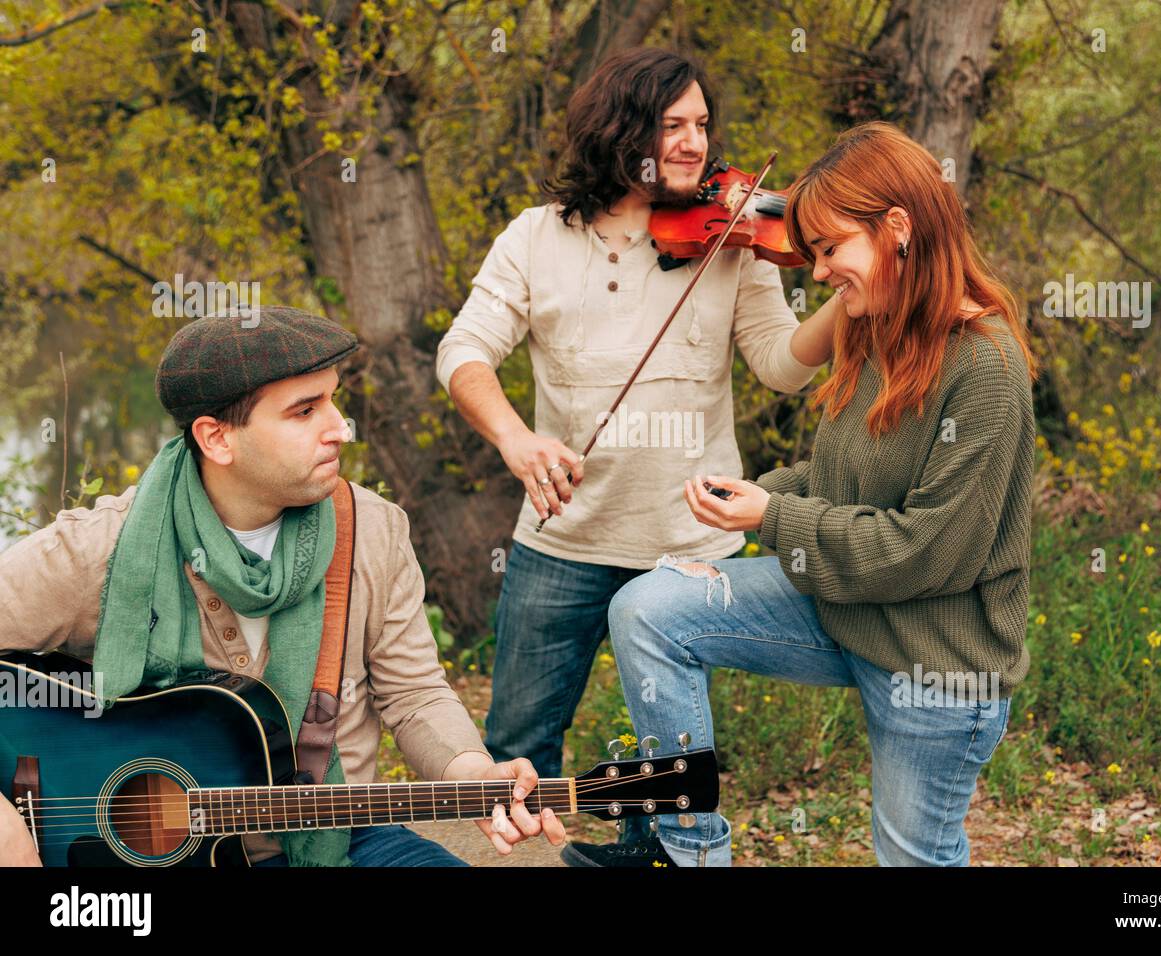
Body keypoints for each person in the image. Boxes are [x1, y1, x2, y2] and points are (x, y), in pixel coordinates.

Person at [568, 121, 1039, 867]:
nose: (818, 274)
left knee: (914, 856)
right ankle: (688, 851)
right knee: (649, 610)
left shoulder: (985, 365)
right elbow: (838, 482)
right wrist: (754, 494)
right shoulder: (872, 326)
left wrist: (773, 515)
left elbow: (924, 552)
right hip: (845, 609)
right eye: (812, 253)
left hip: (934, 657)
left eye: (830, 251)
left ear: (898, 229)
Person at [435, 46, 839, 863]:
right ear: (620, 130)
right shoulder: (536, 239)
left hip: (685, 547)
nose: (695, 141)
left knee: (673, 764)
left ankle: (655, 852)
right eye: (672, 124)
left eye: (701, 125)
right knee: (514, 746)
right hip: (563, 543)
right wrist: (517, 438)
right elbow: (463, 350)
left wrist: (852, 307)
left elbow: (779, 364)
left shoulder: (732, 236)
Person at [0, 306, 564, 866]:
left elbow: (413, 694)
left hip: (339, 837)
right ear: (217, 439)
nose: (340, 427)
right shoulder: (99, 549)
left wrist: (475, 773)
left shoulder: (371, 530)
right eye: (304, 411)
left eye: (333, 400)